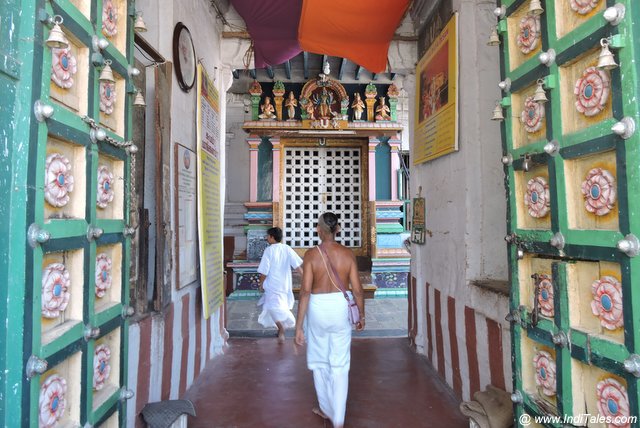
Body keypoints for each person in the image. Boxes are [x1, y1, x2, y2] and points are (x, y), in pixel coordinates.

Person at [295, 213, 365, 428]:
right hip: (340, 307)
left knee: (319, 359)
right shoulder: (347, 254)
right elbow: (358, 289)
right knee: (340, 361)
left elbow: (305, 291)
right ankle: (339, 417)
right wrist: (361, 314)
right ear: (339, 229)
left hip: (317, 308)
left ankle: (326, 407)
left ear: (318, 229)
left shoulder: (310, 255)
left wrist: (298, 327)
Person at [257, 227, 303, 342]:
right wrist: (305, 278)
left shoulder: (269, 250)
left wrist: (261, 283)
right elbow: (297, 266)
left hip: (272, 284)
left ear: (272, 237)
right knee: (279, 306)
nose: (267, 238)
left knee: (272, 307)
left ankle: (281, 328)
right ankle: (280, 328)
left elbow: (264, 271)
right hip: (284, 285)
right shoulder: (287, 249)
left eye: (268, 236)